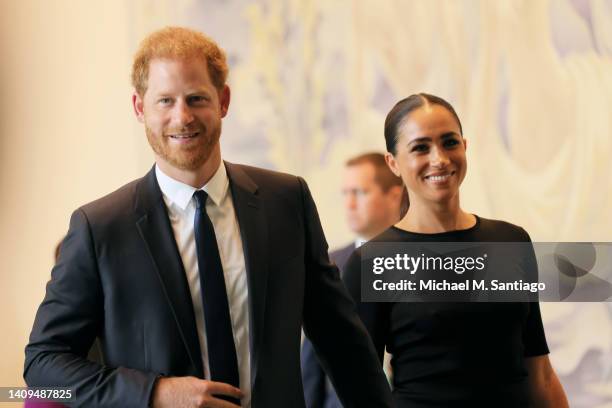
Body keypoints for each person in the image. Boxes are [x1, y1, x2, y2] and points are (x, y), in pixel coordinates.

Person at [24, 27, 393, 408]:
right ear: (139, 108)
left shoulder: (286, 200)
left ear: (223, 101)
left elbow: (340, 338)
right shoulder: (99, 227)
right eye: (164, 101)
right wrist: (154, 393)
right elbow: (43, 362)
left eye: (196, 98)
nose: (182, 117)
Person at [343, 93, 569, 407]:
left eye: (449, 142)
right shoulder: (371, 262)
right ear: (393, 162)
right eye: (421, 147)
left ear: (465, 146)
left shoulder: (510, 241)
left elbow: (540, 371)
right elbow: (360, 390)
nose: (439, 158)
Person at [301, 152, 404, 408]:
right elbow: (314, 359)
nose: (349, 204)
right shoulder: (329, 263)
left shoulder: (430, 261)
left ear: (394, 195)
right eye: (345, 194)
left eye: (359, 192)